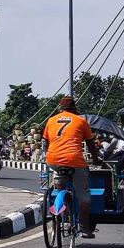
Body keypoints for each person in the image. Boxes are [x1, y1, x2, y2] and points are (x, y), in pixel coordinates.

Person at [43, 96, 101, 239]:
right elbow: (90, 143)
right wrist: (95, 159)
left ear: (60, 109)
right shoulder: (81, 121)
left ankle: (64, 210)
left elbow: (45, 141)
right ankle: (85, 227)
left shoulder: (51, 121)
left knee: (60, 183)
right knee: (84, 195)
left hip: (53, 160)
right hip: (75, 160)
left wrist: (50, 155)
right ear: (75, 109)